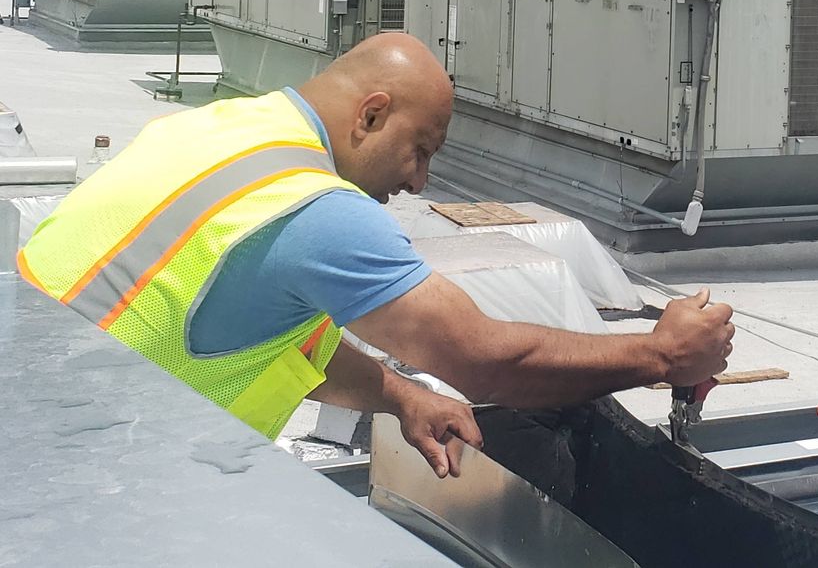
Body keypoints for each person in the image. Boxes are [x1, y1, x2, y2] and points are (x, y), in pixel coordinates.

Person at [18, 33, 734, 477]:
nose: (418, 182)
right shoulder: (313, 207)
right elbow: (482, 357)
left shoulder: (227, 129)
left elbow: (259, 327)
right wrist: (663, 355)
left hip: (34, 413)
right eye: (419, 150)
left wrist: (402, 396)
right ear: (370, 114)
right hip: (77, 473)